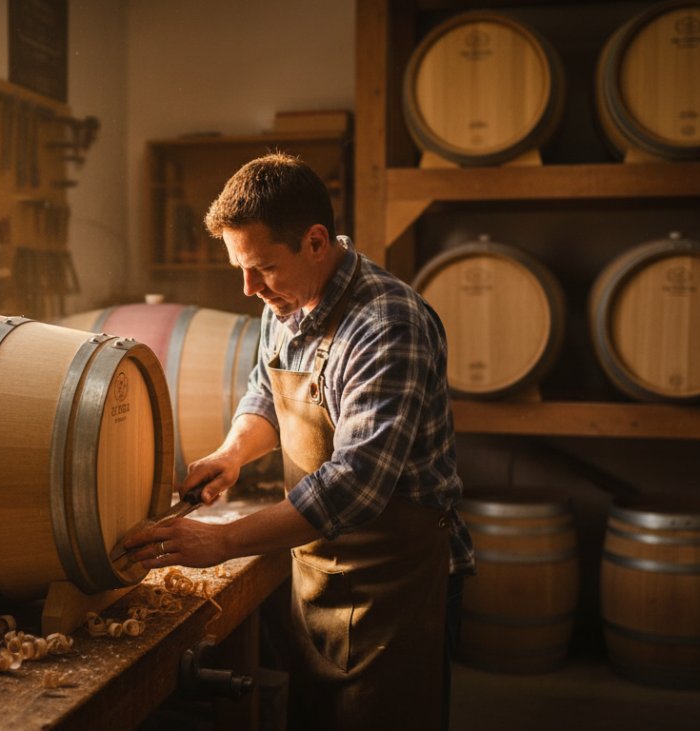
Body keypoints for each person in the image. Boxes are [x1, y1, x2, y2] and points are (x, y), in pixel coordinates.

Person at [122, 152, 473, 731]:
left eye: (261, 269)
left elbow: (355, 488)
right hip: (319, 570)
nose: (248, 288)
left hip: (398, 583)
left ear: (315, 242)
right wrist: (232, 453)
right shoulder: (285, 300)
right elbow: (266, 390)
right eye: (240, 268)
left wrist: (224, 541)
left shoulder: (387, 325)